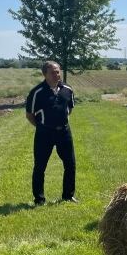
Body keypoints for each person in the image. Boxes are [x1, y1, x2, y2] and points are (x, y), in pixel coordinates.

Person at [25, 61, 76, 205]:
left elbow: (69, 109)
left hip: (64, 132)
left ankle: (68, 196)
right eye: (53, 72)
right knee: (40, 166)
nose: (56, 75)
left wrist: (61, 122)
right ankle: (39, 199)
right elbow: (30, 115)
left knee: (70, 164)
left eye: (58, 71)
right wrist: (42, 126)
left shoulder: (68, 89)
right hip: (44, 134)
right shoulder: (37, 92)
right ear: (45, 74)